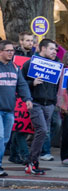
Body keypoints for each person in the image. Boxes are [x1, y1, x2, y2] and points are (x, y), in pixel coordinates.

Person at [22, 38, 61, 175]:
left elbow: (57, 85)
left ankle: (32, 160)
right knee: (42, 130)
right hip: (36, 102)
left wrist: (56, 100)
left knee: (43, 133)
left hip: (49, 104)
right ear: (42, 48)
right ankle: (31, 161)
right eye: (51, 49)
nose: (54, 52)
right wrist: (32, 83)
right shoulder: (30, 64)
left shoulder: (56, 64)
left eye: (55, 49)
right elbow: (20, 84)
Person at [0, 39, 32, 178]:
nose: (11, 53)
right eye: (8, 50)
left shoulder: (14, 67)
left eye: (12, 51)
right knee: (0, 137)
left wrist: (28, 99)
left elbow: (22, 85)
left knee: (5, 139)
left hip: (9, 110)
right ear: (0, 52)